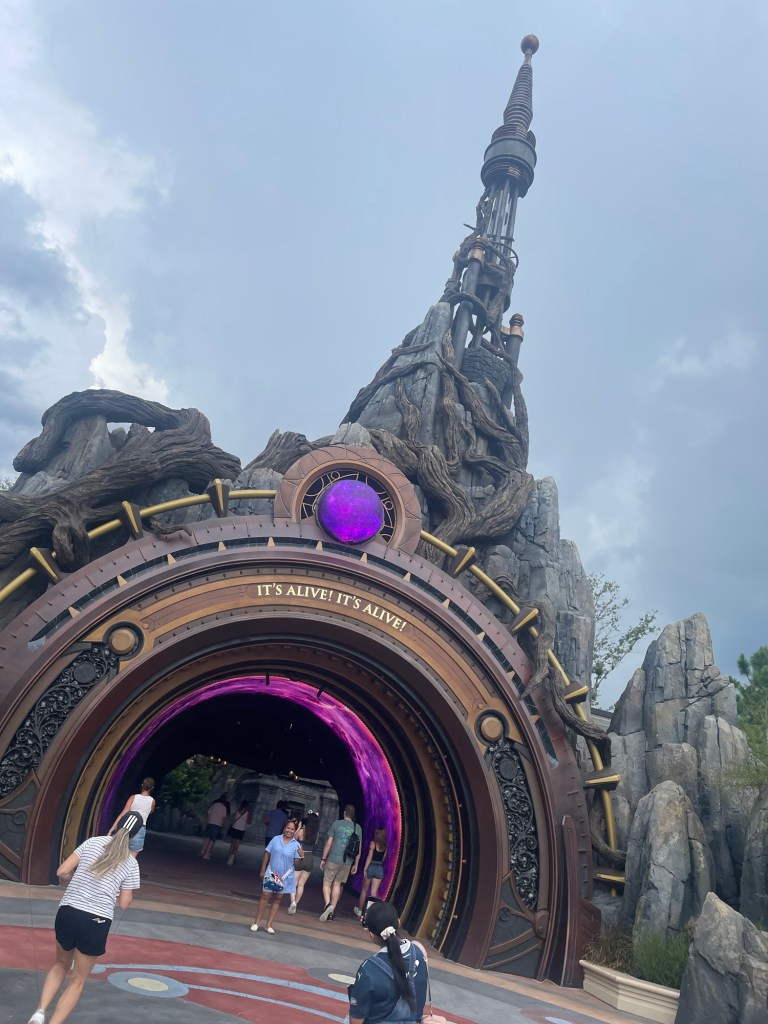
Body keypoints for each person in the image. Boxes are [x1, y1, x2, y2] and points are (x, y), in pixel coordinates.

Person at [26, 812, 142, 1024]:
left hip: (68, 911)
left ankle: (39, 1012)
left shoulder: (92, 843)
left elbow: (62, 871)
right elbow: (124, 904)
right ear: (136, 835)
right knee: (78, 979)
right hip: (96, 920)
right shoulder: (130, 862)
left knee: (60, 964)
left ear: (116, 824)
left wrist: (75, 878)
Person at [347, 901, 429, 1024]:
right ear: (398, 922)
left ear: (371, 934)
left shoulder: (368, 970)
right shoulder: (419, 952)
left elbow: (355, 1020)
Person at [250, 818, 302, 934]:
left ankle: (269, 925)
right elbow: (267, 854)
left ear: (295, 831)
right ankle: (256, 922)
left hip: (285, 876)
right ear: (284, 828)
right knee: (265, 895)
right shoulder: (275, 839)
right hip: (272, 872)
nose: (289, 830)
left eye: (292, 829)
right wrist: (262, 870)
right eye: (288, 828)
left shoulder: (296, 845)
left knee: (278, 898)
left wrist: (301, 856)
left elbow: (297, 863)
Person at [318, 803, 362, 922]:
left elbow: (329, 843)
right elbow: (359, 848)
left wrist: (323, 858)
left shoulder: (337, 824)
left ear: (344, 813)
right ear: (353, 815)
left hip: (334, 858)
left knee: (327, 883)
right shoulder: (357, 828)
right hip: (348, 861)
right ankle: (331, 913)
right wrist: (356, 864)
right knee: (337, 884)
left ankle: (328, 904)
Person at [109, 776, 155, 857]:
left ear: (142, 785)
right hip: (140, 827)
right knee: (132, 856)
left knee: (117, 851)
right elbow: (151, 811)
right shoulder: (152, 801)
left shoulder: (133, 797)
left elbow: (123, 814)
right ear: (152, 788)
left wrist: (112, 829)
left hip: (127, 825)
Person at [354, 827, 388, 918]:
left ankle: (359, 910)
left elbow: (369, 857)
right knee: (374, 893)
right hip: (379, 868)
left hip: (371, 867)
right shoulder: (385, 846)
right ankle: (369, 914)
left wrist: (365, 869)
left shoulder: (373, 844)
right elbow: (383, 859)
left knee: (364, 890)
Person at [290, 810, 319, 914]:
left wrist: (299, 827)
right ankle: (296, 904)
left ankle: (293, 902)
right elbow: (314, 844)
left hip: (300, 856)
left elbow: (293, 838)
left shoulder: (302, 831)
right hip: (310, 857)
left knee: (294, 882)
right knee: (301, 884)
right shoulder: (316, 834)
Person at [199, 793, 230, 861]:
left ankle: (203, 850)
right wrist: (222, 825)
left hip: (210, 822)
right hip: (217, 824)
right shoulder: (224, 807)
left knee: (207, 837)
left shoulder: (214, 805)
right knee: (212, 840)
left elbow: (209, 813)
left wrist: (208, 820)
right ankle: (206, 854)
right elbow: (223, 818)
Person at [226, 800, 252, 866]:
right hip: (241, 829)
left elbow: (234, 817)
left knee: (233, 843)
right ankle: (232, 857)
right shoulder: (247, 812)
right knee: (236, 845)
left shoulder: (238, 810)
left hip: (235, 827)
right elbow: (249, 822)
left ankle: (230, 854)